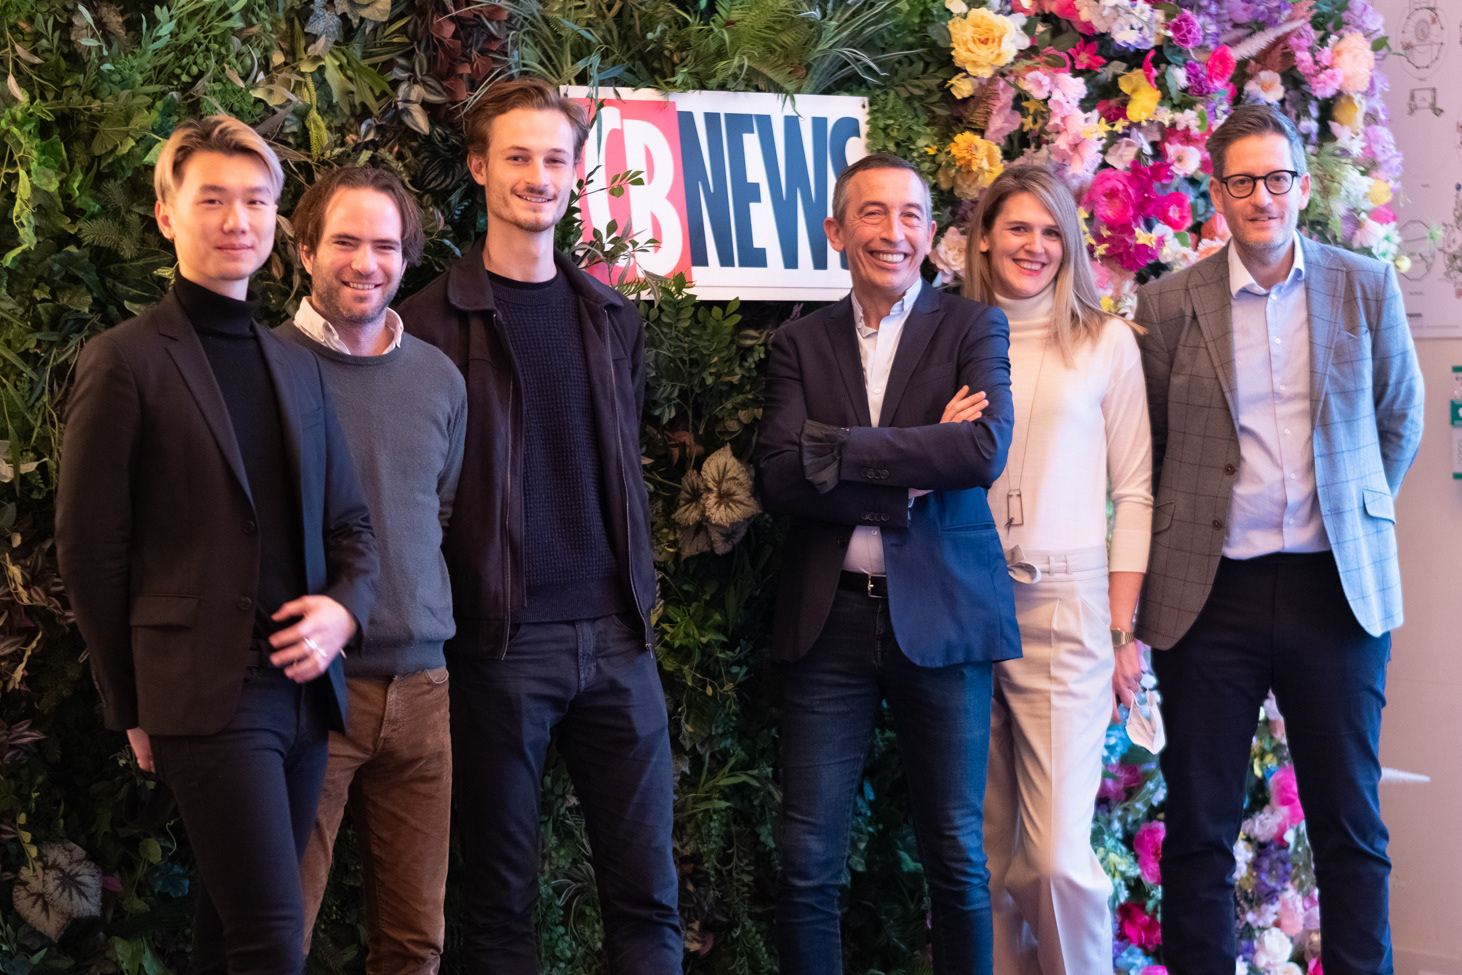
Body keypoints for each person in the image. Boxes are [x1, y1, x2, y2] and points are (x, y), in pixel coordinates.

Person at [55, 117, 379, 975]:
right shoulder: (124, 361)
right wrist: (130, 704)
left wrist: (344, 611)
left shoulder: (297, 365)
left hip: (304, 694)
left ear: (276, 218)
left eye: (256, 201)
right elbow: (89, 548)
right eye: (212, 200)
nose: (238, 219)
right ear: (168, 215)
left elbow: (353, 526)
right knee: (272, 940)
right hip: (204, 694)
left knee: (230, 940)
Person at [397, 78, 680, 974]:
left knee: (649, 900)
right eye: (518, 156)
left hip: (619, 637)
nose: (539, 175)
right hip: (500, 644)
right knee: (498, 906)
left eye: (555, 158)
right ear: (480, 168)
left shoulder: (611, 317)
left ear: (574, 172)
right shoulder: (428, 323)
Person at [1135, 104, 1424, 974]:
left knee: (1349, 822)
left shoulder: (1365, 287)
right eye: (1242, 181)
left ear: (1301, 186)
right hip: (1209, 595)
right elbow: (1151, 444)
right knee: (1199, 826)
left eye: (1277, 178)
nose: (1262, 197)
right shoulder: (1169, 303)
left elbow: (1399, 420)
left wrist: (1352, 515)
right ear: (1218, 193)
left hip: (1334, 590)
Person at [754, 152, 1019, 975]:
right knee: (807, 857)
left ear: (931, 235)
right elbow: (778, 475)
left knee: (954, 851)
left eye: (910, 215)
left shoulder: (972, 327)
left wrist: (838, 450)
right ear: (837, 231)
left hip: (943, 614)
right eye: (872, 213)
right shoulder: (799, 342)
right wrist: (912, 465)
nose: (892, 232)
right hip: (828, 619)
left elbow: (980, 450)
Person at [277, 165, 467, 974]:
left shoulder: (439, 378)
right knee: (278, 934)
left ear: (407, 255)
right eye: (345, 242)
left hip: (424, 690)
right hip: (311, 690)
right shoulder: (267, 370)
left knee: (415, 942)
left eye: (385, 245)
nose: (366, 262)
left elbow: (438, 511)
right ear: (306, 250)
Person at [963, 164, 1152, 974]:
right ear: (983, 238)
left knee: (1053, 860)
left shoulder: (1105, 341)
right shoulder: (951, 337)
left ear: (1070, 245)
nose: (1034, 245)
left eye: (1051, 231)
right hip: (966, 599)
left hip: (1066, 604)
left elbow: (1135, 492)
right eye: (1017, 227)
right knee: (984, 857)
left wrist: (1121, 630)